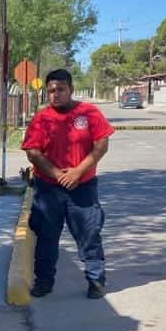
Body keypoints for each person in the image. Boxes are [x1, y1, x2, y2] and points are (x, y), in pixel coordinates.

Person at [21, 68, 114, 300]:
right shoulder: (42, 118)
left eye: (60, 89)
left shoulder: (89, 113)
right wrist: (57, 174)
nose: (55, 94)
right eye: (51, 90)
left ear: (70, 89)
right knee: (46, 237)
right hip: (48, 189)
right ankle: (44, 282)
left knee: (89, 234)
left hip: (82, 187)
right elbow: (33, 152)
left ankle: (96, 280)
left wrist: (77, 172)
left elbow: (101, 144)